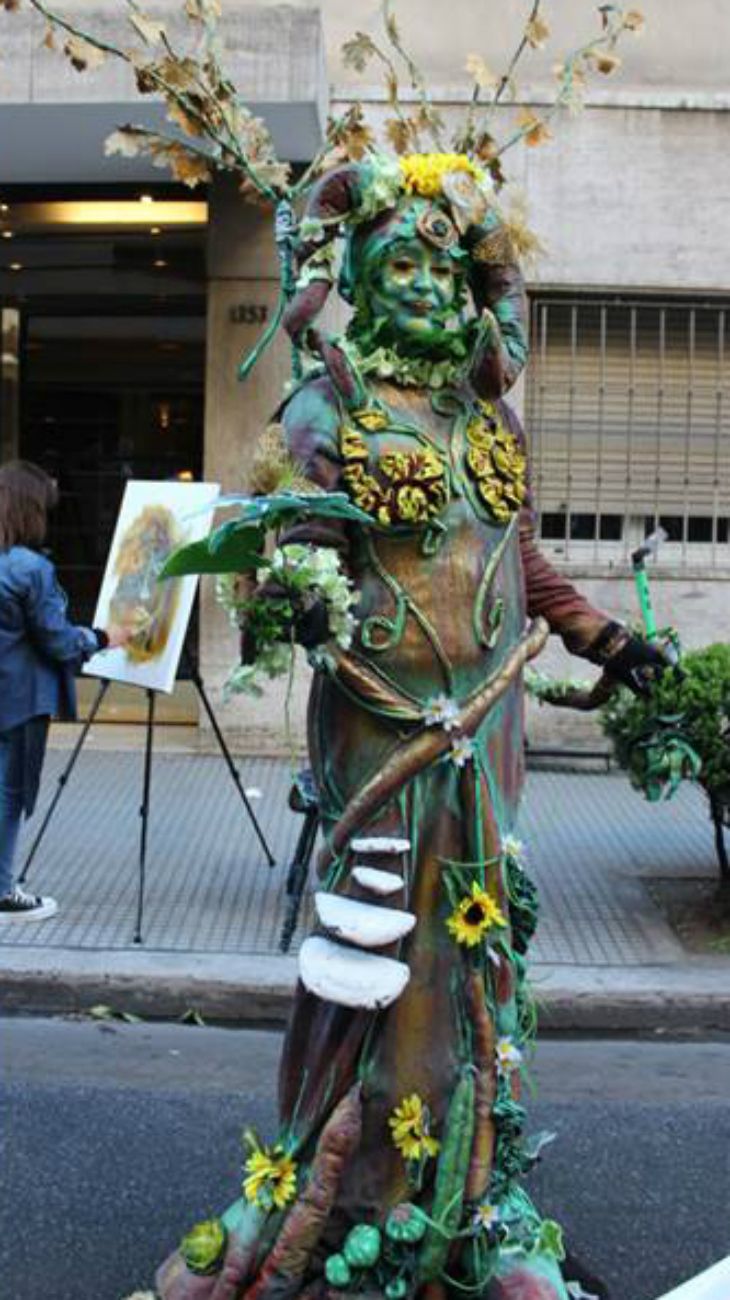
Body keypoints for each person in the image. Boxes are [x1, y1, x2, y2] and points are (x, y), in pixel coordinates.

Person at [156, 155, 667, 1300]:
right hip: (380, 740)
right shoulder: (325, 405)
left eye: (444, 262)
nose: (426, 281)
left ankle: (469, 1200)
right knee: (367, 950)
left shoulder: (488, 414)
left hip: (490, 745)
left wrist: (603, 637)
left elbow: (513, 558)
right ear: (362, 282)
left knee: (472, 953)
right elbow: (292, 549)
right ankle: (318, 1186)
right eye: (399, 261)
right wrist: (286, 588)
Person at [0, 460, 130, 921]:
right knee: (9, 792)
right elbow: (55, 638)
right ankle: (2, 892)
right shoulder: (30, 569)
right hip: (17, 700)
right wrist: (102, 638)